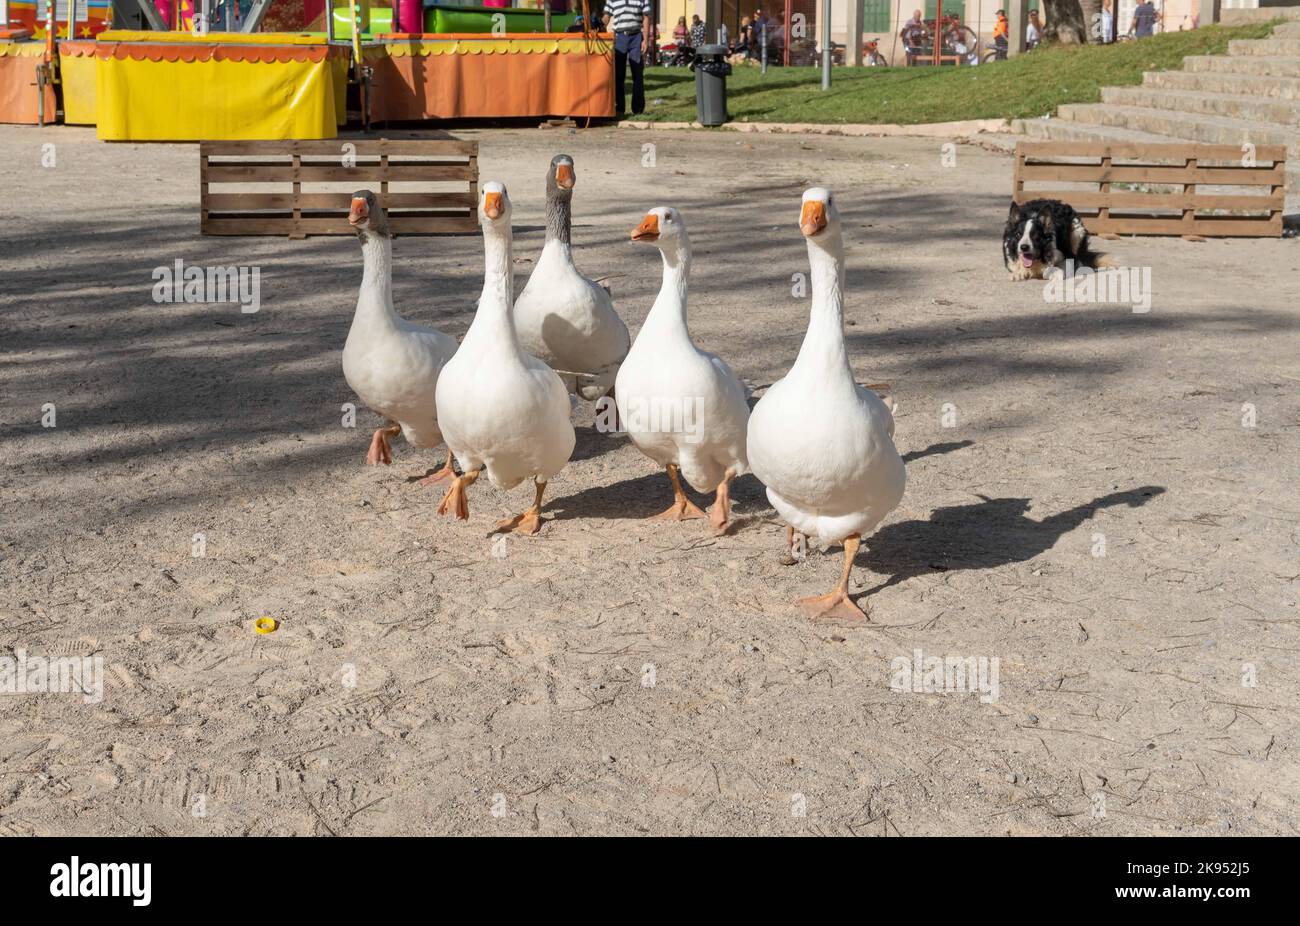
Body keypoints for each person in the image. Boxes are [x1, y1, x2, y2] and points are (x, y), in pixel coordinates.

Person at [603, 0, 652, 117]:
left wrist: (645, 40)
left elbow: (646, 17)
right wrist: (598, 26)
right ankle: (619, 108)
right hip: (619, 37)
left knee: (637, 73)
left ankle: (638, 109)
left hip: (636, 37)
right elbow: (606, 17)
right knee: (618, 75)